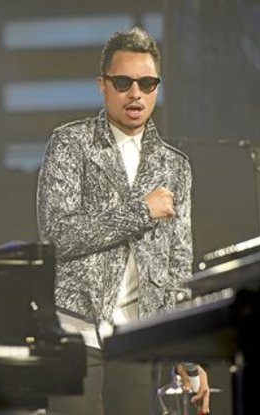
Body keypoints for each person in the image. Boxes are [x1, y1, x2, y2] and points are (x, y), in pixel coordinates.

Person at [36, 27, 210, 414]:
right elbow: (57, 236)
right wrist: (141, 211)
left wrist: (187, 354)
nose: (136, 93)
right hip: (76, 332)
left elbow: (178, 266)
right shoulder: (71, 144)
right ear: (103, 84)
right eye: (123, 82)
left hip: (139, 338)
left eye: (147, 83)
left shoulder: (174, 166)